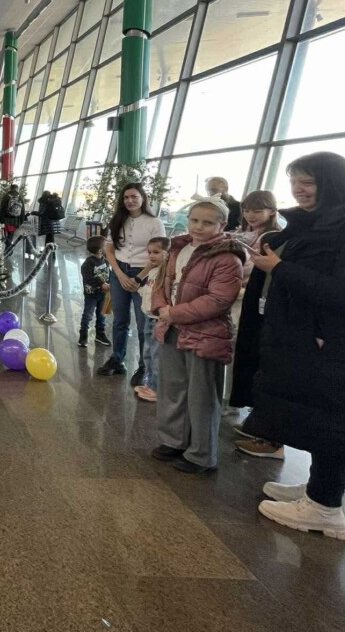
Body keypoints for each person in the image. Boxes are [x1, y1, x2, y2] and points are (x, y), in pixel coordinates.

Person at [247, 152, 345, 540]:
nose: (299, 190)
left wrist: (281, 269)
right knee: (326, 421)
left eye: (309, 182)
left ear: (335, 182)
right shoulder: (336, 224)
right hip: (331, 348)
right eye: (295, 182)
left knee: (339, 425)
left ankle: (324, 508)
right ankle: (324, 493)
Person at [149, 197, 245, 474]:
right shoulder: (179, 248)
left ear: (222, 224)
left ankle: (202, 453)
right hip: (172, 328)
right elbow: (162, 282)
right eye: (194, 220)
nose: (199, 227)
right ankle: (174, 440)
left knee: (202, 396)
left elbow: (218, 300)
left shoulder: (227, 257)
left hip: (206, 334)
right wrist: (160, 307)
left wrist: (173, 312)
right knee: (172, 388)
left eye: (207, 222)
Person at [229, 190, 286, 460]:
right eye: (248, 210)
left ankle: (265, 428)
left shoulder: (271, 238)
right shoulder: (247, 234)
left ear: (272, 211)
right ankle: (257, 421)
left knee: (258, 359)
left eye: (258, 211)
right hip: (247, 299)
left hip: (255, 302)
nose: (251, 215)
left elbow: (259, 268)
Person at [101, 183, 166, 379]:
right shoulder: (118, 220)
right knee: (120, 320)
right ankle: (117, 359)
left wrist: (138, 277)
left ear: (143, 198)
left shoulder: (155, 223)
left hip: (144, 274)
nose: (130, 200)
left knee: (142, 322)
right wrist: (120, 274)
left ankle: (143, 366)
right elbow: (109, 249)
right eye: (126, 197)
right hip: (119, 272)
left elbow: (159, 255)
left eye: (133, 197)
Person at [133, 236, 170, 403]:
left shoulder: (167, 272)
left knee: (156, 356)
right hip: (149, 317)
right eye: (149, 252)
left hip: (158, 320)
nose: (152, 256)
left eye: (156, 252)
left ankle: (157, 388)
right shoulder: (153, 271)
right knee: (147, 354)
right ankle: (149, 383)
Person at [78, 236, 111, 348]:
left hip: (103, 294)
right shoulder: (88, 264)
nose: (109, 247)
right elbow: (89, 278)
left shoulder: (106, 261)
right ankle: (83, 336)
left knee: (102, 315)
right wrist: (101, 283)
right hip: (91, 295)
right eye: (106, 245)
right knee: (88, 315)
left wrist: (110, 283)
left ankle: (100, 334)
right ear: (100, 250)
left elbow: (108, 274)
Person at [0, 183, 26, 247]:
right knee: (10, 235)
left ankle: (7, 249)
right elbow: (22, 211)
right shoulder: (20, 197)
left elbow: (1, 208)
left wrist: (1, 219)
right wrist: (21, 221)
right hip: (15, 220)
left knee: (5, 236)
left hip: (6, 220)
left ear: (11, 189)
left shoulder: (6, 196)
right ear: (17, 189)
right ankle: (8, 250)